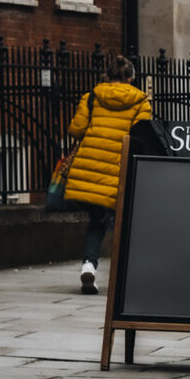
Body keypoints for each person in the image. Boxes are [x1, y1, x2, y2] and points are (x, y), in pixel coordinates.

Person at [63, 56, 153, 294]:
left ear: (107, 75)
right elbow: (143, 137)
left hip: (91, 168)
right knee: (126, 223)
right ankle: (125, 278)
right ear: (132, 77)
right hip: (119, 169)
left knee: (96, 222)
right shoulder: (141, 101)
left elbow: (76, 129)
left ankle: (89, 266)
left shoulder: (91, 97)